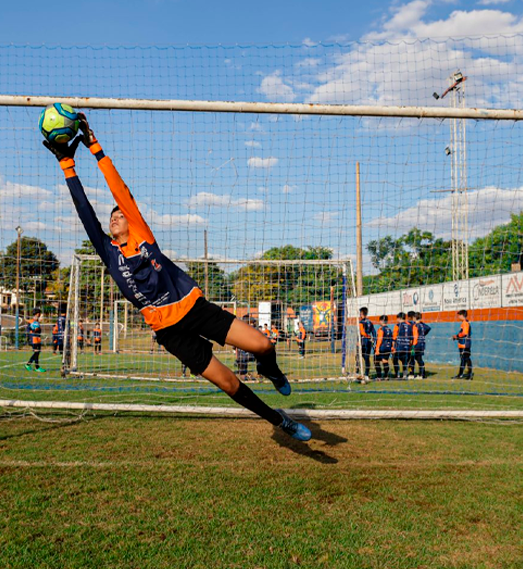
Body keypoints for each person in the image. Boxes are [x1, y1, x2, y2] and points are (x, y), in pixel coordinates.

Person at [43, 115, 311, 441]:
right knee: (227, 382)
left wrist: (95, 147)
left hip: (193, 308)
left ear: (130, 219)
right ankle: (278, 420)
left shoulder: (142, 234)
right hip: (169, 331)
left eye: (119, 215)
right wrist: (67, 165)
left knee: (263, 344)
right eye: (111, 217)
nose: (114, 218)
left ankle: (269, 369)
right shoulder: (107, 251)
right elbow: (84, 210)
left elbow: (120, 190)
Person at [452, 309, 473, 380]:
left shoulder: (465, 323)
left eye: (459, 315)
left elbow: (464, 333)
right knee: (465, 359)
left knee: (465, 359)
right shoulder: (464, 323)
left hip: (464, 344)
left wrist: (457, 336)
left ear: (462, 315)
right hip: (464, 343)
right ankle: (463, 374)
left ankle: (467, 375)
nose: (458, 317)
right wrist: (457, 337)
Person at [25, 307, 46, 373]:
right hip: (33, 338)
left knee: (37, 352)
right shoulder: (32, 322)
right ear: (37, 314)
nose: (40, 314)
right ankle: (29, 364)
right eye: (39, 313)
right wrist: (35, 329)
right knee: (36, 352)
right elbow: (31, 330)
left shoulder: (35, 321)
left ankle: (36, 367)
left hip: (37, 338)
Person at [392, 312, 412, 379]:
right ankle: (405, 375)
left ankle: (397, 374)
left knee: (395, 359)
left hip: (399, 346)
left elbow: (394, 338)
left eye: (397, 318)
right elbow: (411, 338)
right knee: (405, 362)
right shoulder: (410, 325)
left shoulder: (397, 325)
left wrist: (393, 347)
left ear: (399, 318)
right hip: (407, 346)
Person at [412, 312, 431, 379]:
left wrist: (413, 346)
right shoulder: (422, 325)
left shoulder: (416, 325)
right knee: (419, 359)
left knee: (415, 359)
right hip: (422, 343)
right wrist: (423, 335)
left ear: (414, 318)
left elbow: (415, 336)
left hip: (417, 344)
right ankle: (422, 374)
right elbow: (428, 328)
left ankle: (420, 374)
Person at [359, 307, 376, 379]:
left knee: (360, 356)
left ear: (362, 313)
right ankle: (366, 373)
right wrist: (373, 339)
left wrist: (359, 340)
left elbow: (361, 332)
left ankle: (364, 373)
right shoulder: (370, 322)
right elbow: (374, 332)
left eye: (360, 313)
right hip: (369, 341)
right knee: (366, 357)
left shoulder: (361, 322)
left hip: (363, 341)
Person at [374, 315, 392, 380]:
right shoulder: (389, 329)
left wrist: (377, 348)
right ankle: (386, 376)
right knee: (385, 361)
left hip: (382, 347)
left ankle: (379, 376)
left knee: (376, 361)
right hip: (388, 347)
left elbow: (380, 339)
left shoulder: (381, 329)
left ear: (381, 321)